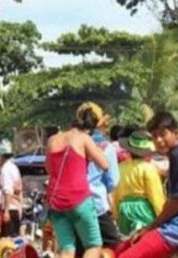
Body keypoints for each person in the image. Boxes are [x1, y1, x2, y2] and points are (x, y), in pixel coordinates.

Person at [115, 113, 178, 258]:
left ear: (176, 133)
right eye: (154, 136)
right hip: (169, 226)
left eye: (163, 134)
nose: (159, 140)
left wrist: (152, 226)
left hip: (176, 230)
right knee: (120, 250)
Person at [44, 103, 112, 258]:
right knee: (93, 245)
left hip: (55, 202)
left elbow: (49, 169)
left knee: (67, 248)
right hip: (79, 199)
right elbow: (105, 164)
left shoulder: (52, 140)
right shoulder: (84, 138)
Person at [73, 104, 121, 256]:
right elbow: (112, 181)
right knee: (116, 247)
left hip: (73, 206)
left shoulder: (69, 143)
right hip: (97, 206)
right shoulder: (106, 147)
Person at [113, 131, 164, 236]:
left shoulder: (120, 167)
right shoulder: (148, 168)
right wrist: (162, 217)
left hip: (124, 210)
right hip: (143, 210)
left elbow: (115, 194)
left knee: (128, 242)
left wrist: (116, 214)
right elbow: (156, 196)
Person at [0, 147, 22, 237]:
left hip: (9, 209)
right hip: (15, 208)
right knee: (14, 240)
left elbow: (7, 191)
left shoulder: (6, 169)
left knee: (6, 242)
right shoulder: (14, 167)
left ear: (1, 156)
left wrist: (6, 211)